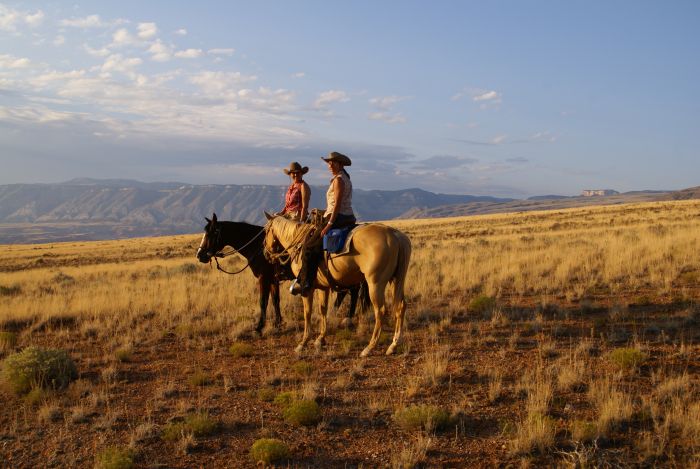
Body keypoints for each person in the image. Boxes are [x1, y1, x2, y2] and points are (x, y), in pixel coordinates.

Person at [291, 151, 356, 295]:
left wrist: (329, 223)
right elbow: (335, 204)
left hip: (338, 217)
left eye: (333, 163)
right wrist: (322, 211)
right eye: (329, 163)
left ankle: (306, 283)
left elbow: (338, 204)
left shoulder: (339, 180)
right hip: (346, 216)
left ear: (340, 164)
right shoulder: (345, 178)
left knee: (308, 246)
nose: (330, 165)